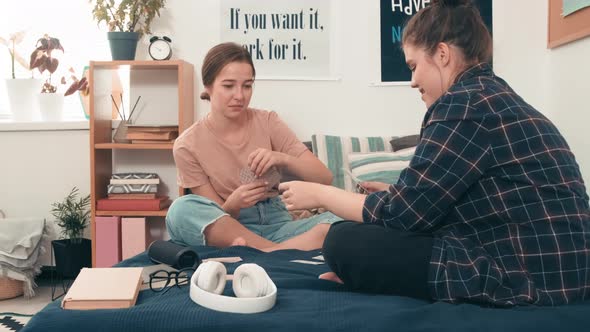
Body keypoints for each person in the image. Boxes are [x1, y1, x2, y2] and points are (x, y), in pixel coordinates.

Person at [279, 0, 590, 306]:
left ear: (442, 54)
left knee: (342, 240)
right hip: (567, 271)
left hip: (522, 275)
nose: (413, 81)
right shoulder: (496, 98)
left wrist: (320, 194)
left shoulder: (463, 104)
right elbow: (476, 200)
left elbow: (402, 216)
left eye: (414, 66)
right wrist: (393, 193)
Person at [166, 42, 342, 252]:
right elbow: (214, 215)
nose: (240, 96)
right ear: (208, 86)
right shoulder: (187, 145)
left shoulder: (268, 122)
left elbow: (324, 178)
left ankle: (265, 251)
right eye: (228, 86)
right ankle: (277, 250)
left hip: (280, 224)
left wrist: (281, 158)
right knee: (180, 210)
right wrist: (234, 203)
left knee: (346, 218)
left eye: (247, 85)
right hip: (234, 228)